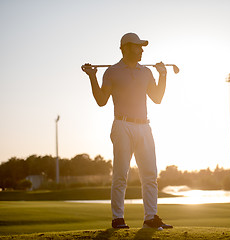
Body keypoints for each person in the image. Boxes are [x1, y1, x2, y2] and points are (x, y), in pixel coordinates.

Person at [82, 32, 173, 230]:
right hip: (122, 125)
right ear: (125, 48)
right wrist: (92, 77)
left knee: (150, 175)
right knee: (121, 175)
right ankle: (118, 218)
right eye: (138, 46)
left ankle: (150, 217)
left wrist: (163, 75)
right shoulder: (112, 72)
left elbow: (157, 98)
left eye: (142, 47)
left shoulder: (146, 72)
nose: (142, 50)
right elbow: (101, 100)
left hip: (144, 126)